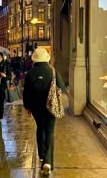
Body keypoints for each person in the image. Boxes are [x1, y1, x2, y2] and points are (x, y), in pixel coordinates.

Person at [23, 48, 66, 176]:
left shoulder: (30, 74)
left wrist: (28, 107)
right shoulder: (52, 71)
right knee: (50, 132)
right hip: (51, 107)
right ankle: (47, 161)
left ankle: (41, 155)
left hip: (36, 108)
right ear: (46, 58)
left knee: (40, 128)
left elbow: (26, 93)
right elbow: (61, 87)